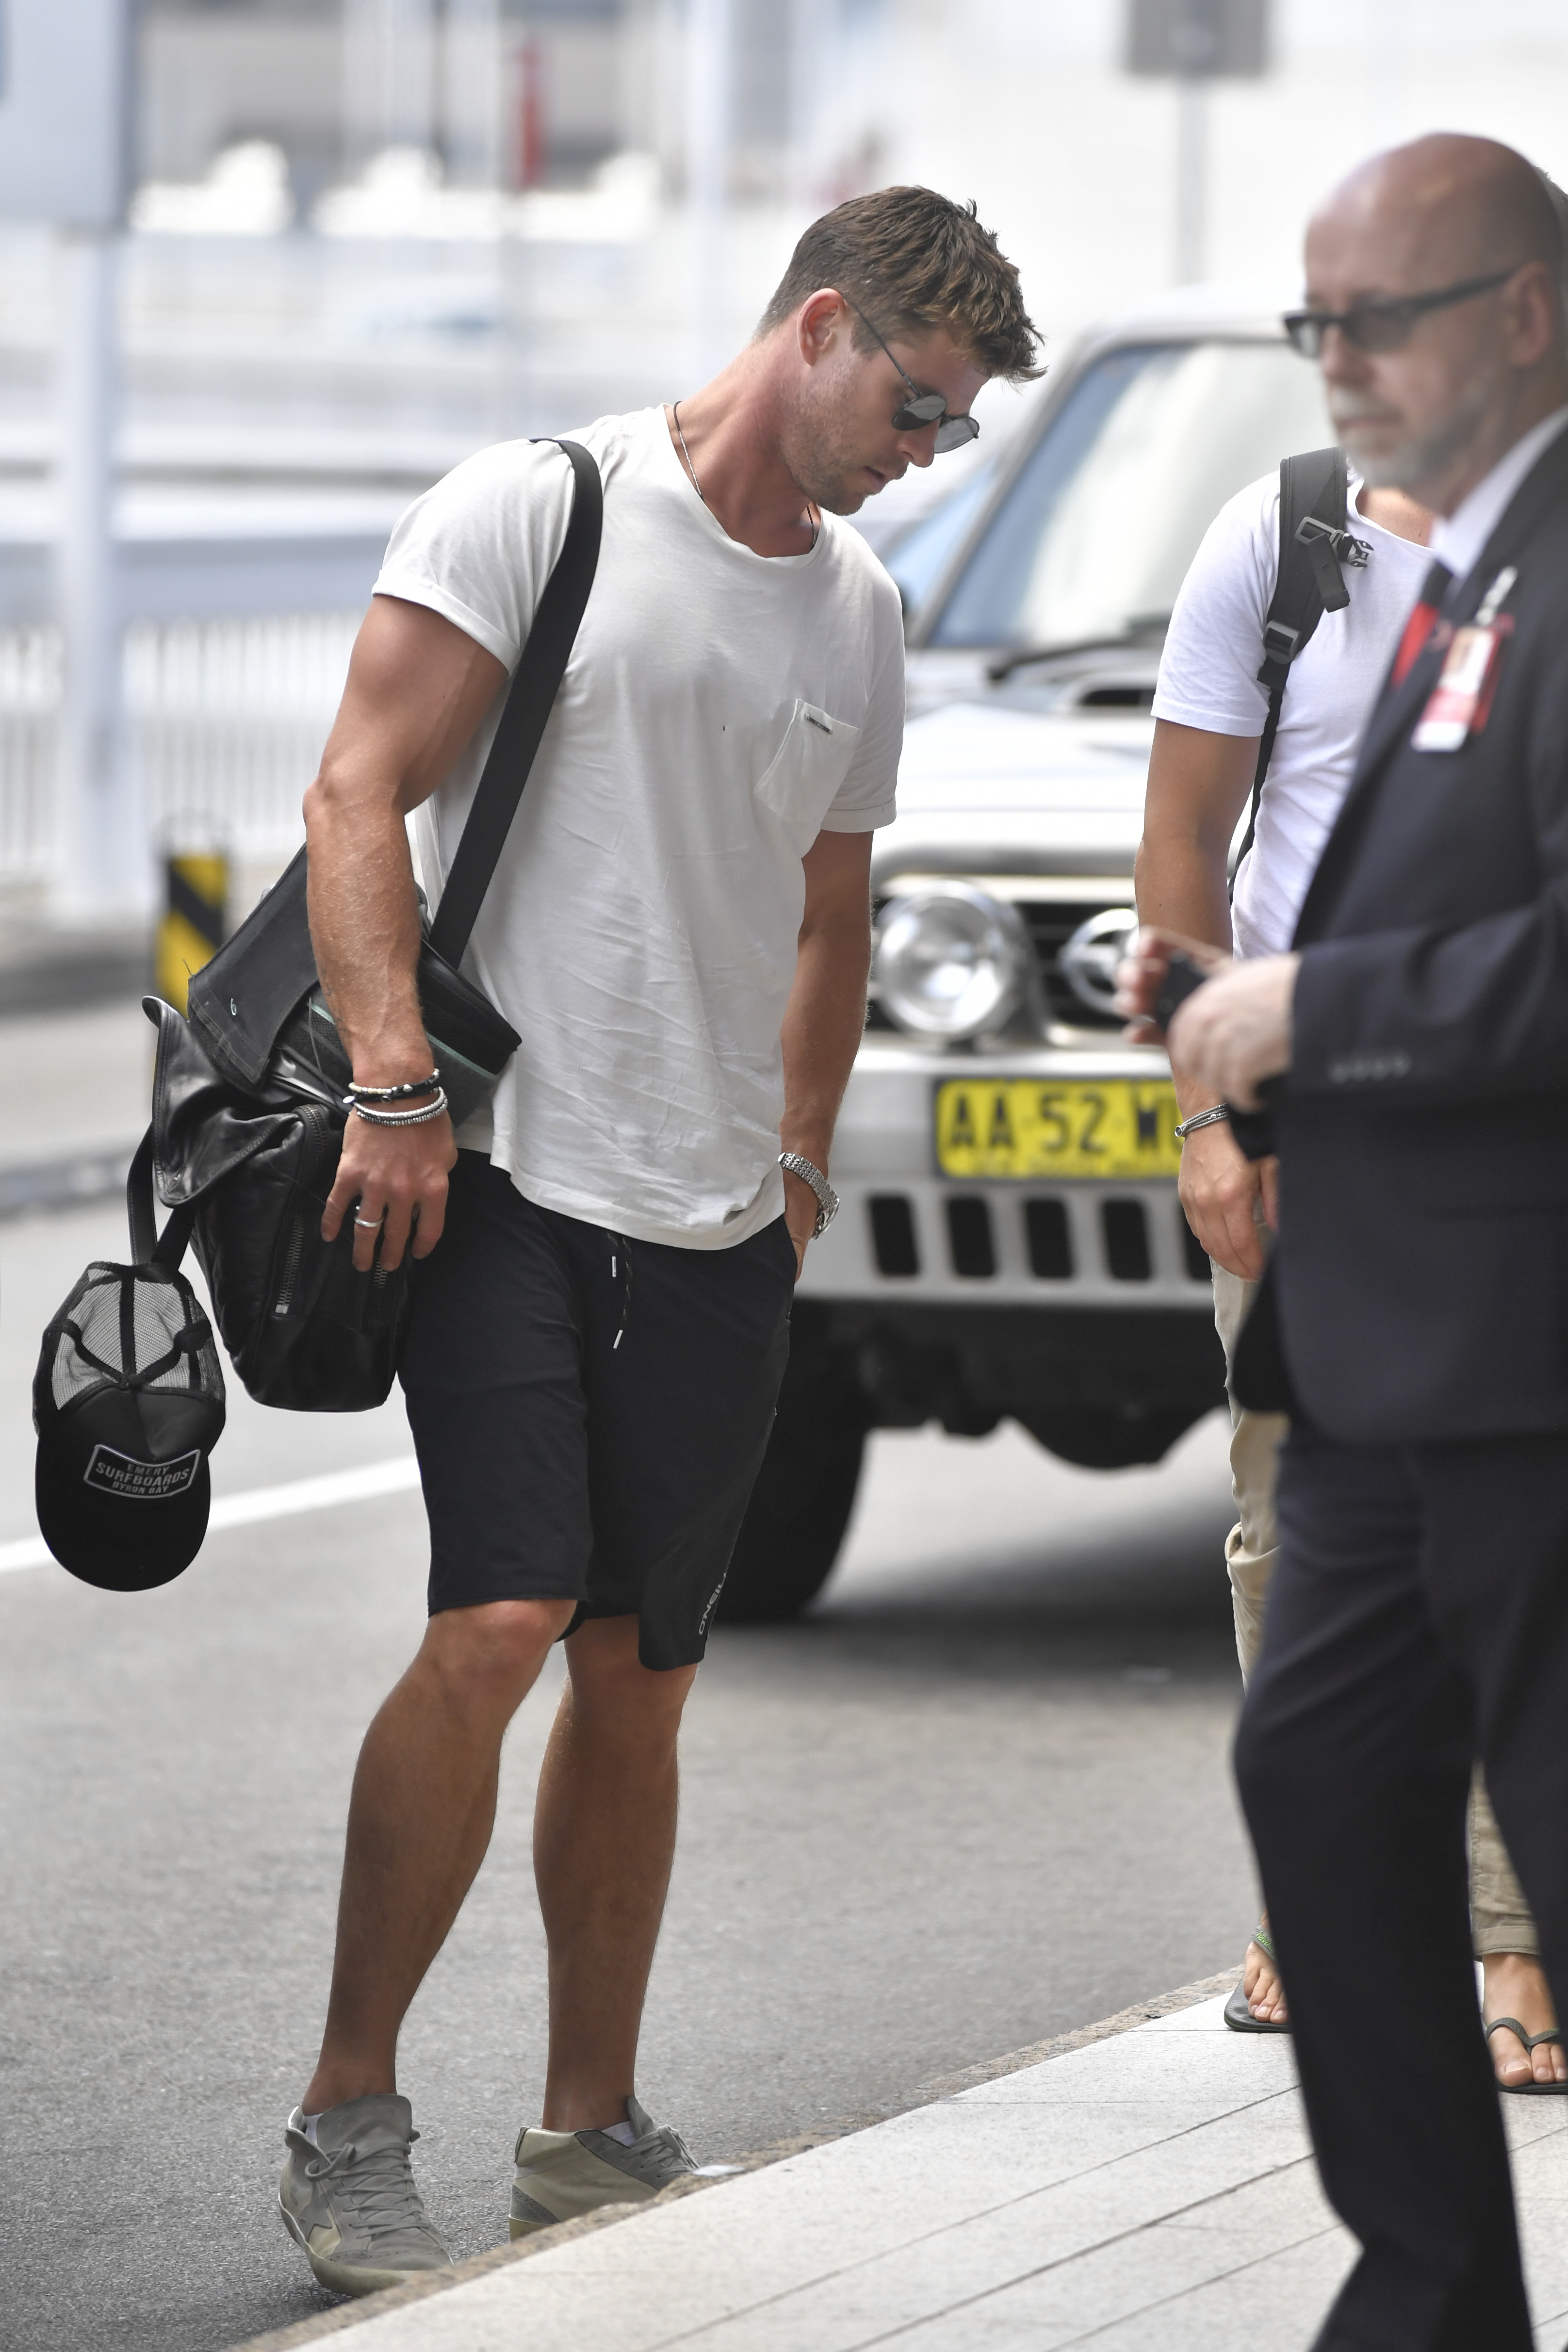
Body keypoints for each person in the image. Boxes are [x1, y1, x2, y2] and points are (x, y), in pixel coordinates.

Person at [275, 186, 1041, 2298]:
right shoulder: (543, 510)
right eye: (915, 404)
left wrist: (795, 1162)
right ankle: (348, 2114)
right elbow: (357, 793)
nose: (925, 451)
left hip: (716, 1214)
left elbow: (829, 911)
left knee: (642, 1672)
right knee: (504, 1619)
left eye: (959, 427)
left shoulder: (859, 609)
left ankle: (584, 2132)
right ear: (819, 327)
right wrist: (395, 1083)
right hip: (501, 1167)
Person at [1121, 133, 1568, 2347]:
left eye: (1377, 316)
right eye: (1316, 322)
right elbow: (1222, 834)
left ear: (1526, 313)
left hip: (1522, 1314)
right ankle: (1430, 2298)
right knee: (1313, 1765)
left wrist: (1325, 1009)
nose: (1337, 361)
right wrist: (1224, 1076)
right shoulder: (1431, 560)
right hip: (1376, 1309)